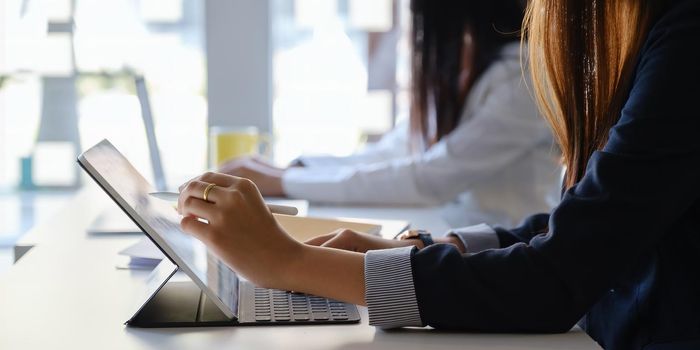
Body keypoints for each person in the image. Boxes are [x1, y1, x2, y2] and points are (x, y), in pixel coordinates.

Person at [177, 0, 700, 348]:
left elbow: (553, 279)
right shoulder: (650, 34)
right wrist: (428, 248)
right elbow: (586, 225)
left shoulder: (682, 40)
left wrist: (286, 261)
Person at [218, 0, 561, 228]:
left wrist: (283, 182)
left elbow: (429, 179)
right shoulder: (472, 64)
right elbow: (398, 150)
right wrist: (293, 170)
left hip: (506, 248)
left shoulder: (524, 76)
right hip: (456, 231)